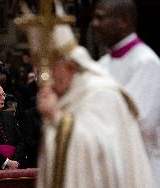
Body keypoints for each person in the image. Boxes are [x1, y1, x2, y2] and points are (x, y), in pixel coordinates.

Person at [21, 5, 155, 185]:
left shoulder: (101, 92)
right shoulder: (100, 68)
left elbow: (107, 148)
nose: (45, 80)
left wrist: (58, 119)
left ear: (71, 65)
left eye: (50, 69)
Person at [92, 0, 160, 185]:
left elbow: (138, 121)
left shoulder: (146, 63)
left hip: (140, 171)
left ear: (123, 20)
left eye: (100, 17)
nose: (94, 23)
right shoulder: (102, 65)